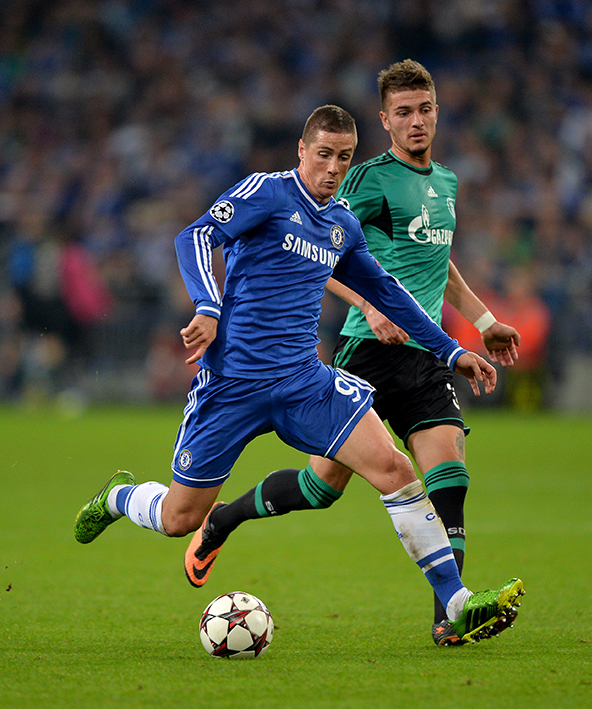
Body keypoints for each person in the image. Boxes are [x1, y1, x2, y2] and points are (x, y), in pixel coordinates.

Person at [75, 104, 524, 644]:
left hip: (303, 383)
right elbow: (193, 237)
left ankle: (456, 604)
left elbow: (387, 292)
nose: (333, 168)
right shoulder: (268, 193)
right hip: (233, 385)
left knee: (394, 468)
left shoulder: (342, 224)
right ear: (302, 151)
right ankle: (118, 498)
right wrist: (208, 307)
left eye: (344, 157)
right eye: (324, 155)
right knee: (179, 518)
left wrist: (450, 351)